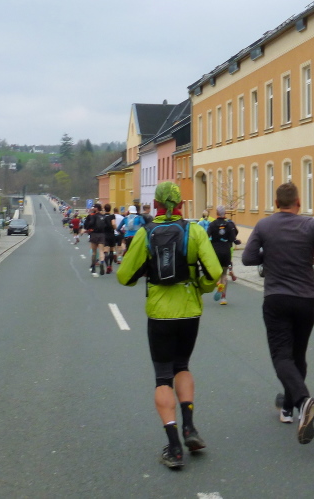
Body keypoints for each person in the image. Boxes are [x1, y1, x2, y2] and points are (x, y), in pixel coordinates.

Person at [117, 182, 222, 470]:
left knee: (163, 376)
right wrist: (201, 287)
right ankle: (190, 428)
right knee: (183, 366)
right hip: (189, 311)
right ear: (181, 205)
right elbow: (214, 271)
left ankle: (174, 447)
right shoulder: (195, 230)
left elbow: (124, 277)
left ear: (156, 205)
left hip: (160, 314)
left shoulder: (145, 233)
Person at [242, 182, 314, 445]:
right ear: (298, 202)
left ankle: (303, 402)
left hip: (276, 298)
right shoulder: (311, 225)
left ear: (276, 204)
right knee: (298, 355)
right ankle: (287, 408)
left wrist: (268, 254)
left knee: (281, 356)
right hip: (306, 299)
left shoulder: (264, 225)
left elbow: (248, 258)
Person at [207, 206, 239, 305]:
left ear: (216, 213)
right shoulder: (229, 225)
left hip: (215, 251)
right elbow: (233, 238)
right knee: (224, 274)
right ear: (224, 213)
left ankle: (218, 282)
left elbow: (206, 236)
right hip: (226, 250)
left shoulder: (212, 224)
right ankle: (223, 298)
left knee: (217, 272)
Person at [83, 203, 107, 276]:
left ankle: (93, 266)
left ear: (96, 208)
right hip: (102, 234)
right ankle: (101, 263)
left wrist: (87, 229)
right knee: (101, 251)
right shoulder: (103, 216)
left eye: (93, 207)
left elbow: (87, 224)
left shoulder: (92, 216)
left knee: (94, 252)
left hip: (94, 234)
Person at [103, 204, 116, 274]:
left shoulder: (102, 216)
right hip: (111, 234)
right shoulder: (112, 216)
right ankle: (110, 265)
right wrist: (115, 228)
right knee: (111, 250)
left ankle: (107, 265)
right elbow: (113, 224)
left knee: (105, 250)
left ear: (104, 209)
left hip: (104, 234)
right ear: (110, 209)